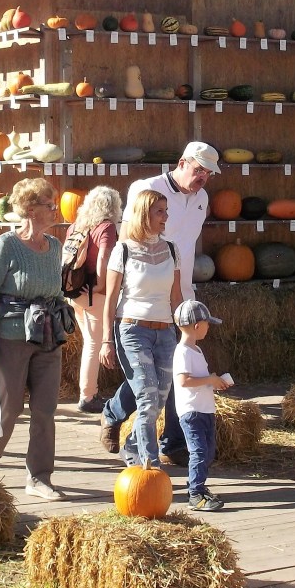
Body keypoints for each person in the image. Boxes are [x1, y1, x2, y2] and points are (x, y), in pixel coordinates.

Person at [100, 141, 221, 466]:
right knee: (146, 383)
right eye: (199, 170)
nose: (203, 178)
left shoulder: (202, 198)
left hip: (178, 297)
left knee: (170, 375)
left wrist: (181, 304)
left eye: (208, 174)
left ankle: (171, 442)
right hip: (138, 304)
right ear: (181, 162)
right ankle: (116, 416)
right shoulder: (147, 188)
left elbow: (185, 247)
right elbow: (126, 241)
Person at [0, 178, 74, 500]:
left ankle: (39, 478)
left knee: (45, 410)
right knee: (9, 407)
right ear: (31, 210)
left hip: (47, 336)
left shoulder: (55, 247)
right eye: (50, 205)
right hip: (11, 336)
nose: (55, 210)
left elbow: (56, 291)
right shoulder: (7, 245)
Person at [99, 189, 181, 468]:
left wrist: (186, 335)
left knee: (159, 399)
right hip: (132, 329)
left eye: (166, 211)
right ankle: (149, 465)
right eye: (160, 211)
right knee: (147, 398)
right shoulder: (122, 250)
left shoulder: (172, 249)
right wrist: (106, 342)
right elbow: (110, 299)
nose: (165, 217)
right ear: (143, 214)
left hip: (166, 331)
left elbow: (176, 297)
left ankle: (132, 445)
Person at [63, 185, 122, 413]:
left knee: (90, 342)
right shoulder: (106, 227)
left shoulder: (76, 226)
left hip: (75, 293)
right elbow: (104, 259)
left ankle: (88, 392)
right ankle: (88, 397)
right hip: (92, 295)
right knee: (94, 344)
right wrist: (100, 286)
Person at [172, 299, 232, 511]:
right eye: (207, 324)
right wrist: (209, 380)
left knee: (207, 451)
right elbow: (183, 381)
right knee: (198, 452)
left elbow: (198, 380)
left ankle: (197, 485)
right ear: (197, 326)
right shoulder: (183, 352)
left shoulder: (196, 350)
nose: (209, 328)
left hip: (205, 409)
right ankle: (195, 496)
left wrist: (214, 382)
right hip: (192, 412)